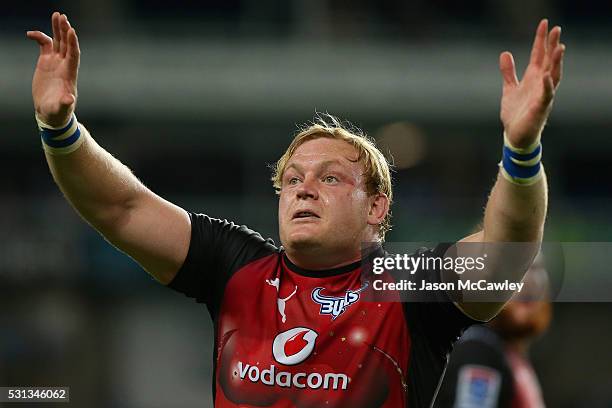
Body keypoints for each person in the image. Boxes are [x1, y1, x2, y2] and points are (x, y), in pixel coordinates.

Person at [26, 12, 565, 407]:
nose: (304, 189)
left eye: (330, 178)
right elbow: (119, 208)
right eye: (292, 179)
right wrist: (60, 130)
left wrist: (521, 152)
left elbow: (506, 252)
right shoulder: (237, 269)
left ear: (377, 206)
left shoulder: (408, 287)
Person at [434, 254, 552, 408]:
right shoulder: (479, 350)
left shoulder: (506, 351)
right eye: (514, 268)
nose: (530, 280)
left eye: (536, 268)